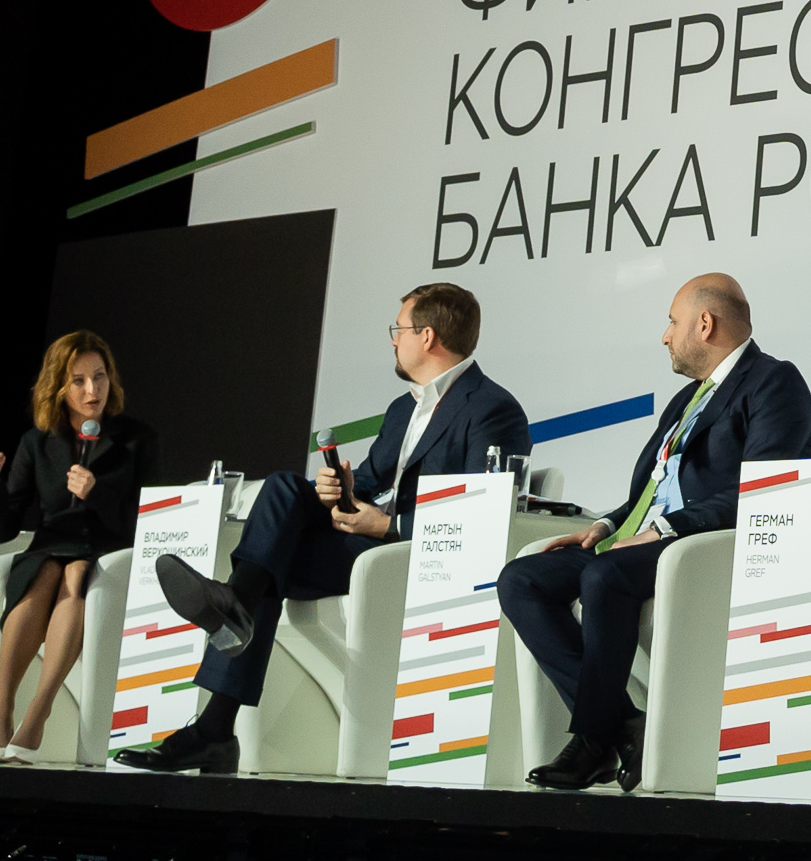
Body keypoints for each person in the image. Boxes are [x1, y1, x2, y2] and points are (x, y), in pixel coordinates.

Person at [118, 282, 529, 774]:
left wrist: (388, 524)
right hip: (364, 543)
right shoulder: (404, 408)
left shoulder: (492, 409)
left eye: (398, 329)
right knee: (284, 489)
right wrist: (342, 488)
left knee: (267, 566)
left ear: (427, 336)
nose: (393, 339)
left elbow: (482, 516)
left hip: (414, 557)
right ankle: (233, 627)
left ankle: (218, 702)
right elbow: (371, 481)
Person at [505, 272, 811, 791]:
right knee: (522, 579)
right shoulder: (687, 399)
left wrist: (666, 528)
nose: (665, 335)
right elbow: (654, 485)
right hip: (638, 542)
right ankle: (624, 725)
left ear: (705, 324)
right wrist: (603, 524)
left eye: (673, 322)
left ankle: (592, 740)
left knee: (604, 575)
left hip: (700, 543)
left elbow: (765, 487)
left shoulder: (773, 382)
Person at [0, 330, 150, 765]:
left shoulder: (136, 439)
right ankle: (2, 709)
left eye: (100, 377)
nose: (92, 391)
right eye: (79, 381)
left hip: (105, 546)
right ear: (58, 386)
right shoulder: (37, 442)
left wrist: (97, 493)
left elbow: (145, 520)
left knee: (74, 572)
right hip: (49, 547)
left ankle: (39, 709)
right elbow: (4, 528)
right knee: (48, 569)